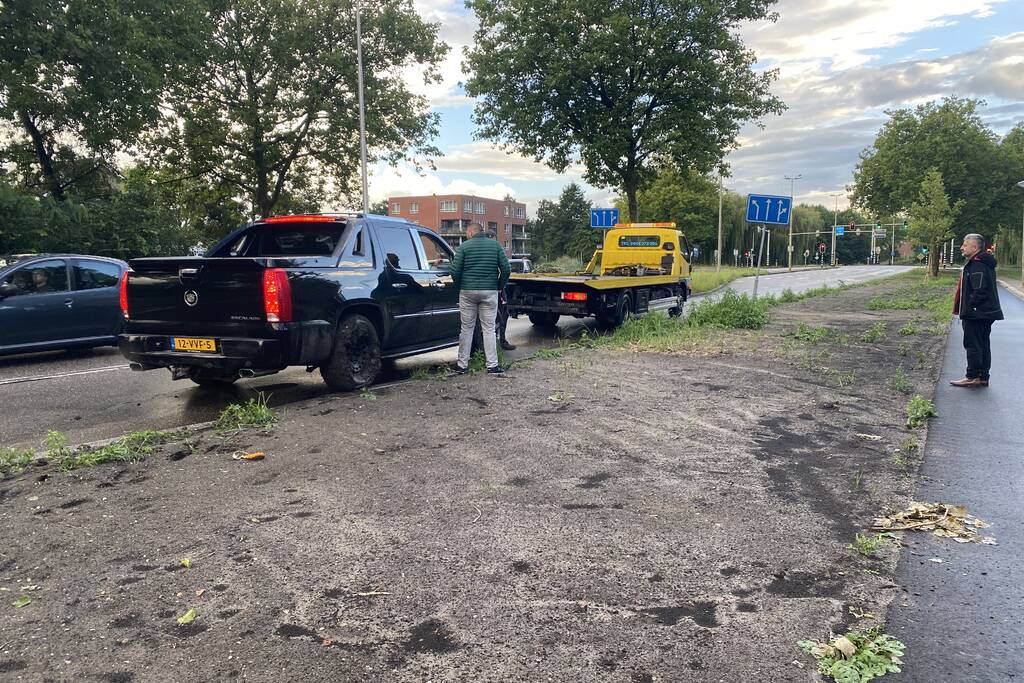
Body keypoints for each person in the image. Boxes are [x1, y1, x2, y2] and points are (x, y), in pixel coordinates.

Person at [450, 222, 511, 374]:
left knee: (466, 328)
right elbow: (506, 268)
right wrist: (499, 285)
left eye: (466, 233)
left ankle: (462, 365)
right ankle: (492, 365)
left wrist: (460, 286)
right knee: (489, 328)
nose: (466, 235)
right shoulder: (496, 246)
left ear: (471, 232)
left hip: (467, 291)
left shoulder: (464, 247)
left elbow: (455, 271)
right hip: (489, 291)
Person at [950, 233, 1003, 387]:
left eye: (965, 245)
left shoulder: (977, 264)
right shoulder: (983, 262)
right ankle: (983, 376)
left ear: (975, 247)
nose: (961, 247)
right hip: (986, 312)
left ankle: (972, 376)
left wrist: (971, 306)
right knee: (983, 344)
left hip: (977, 313)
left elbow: (979, 289)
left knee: (973, 344)